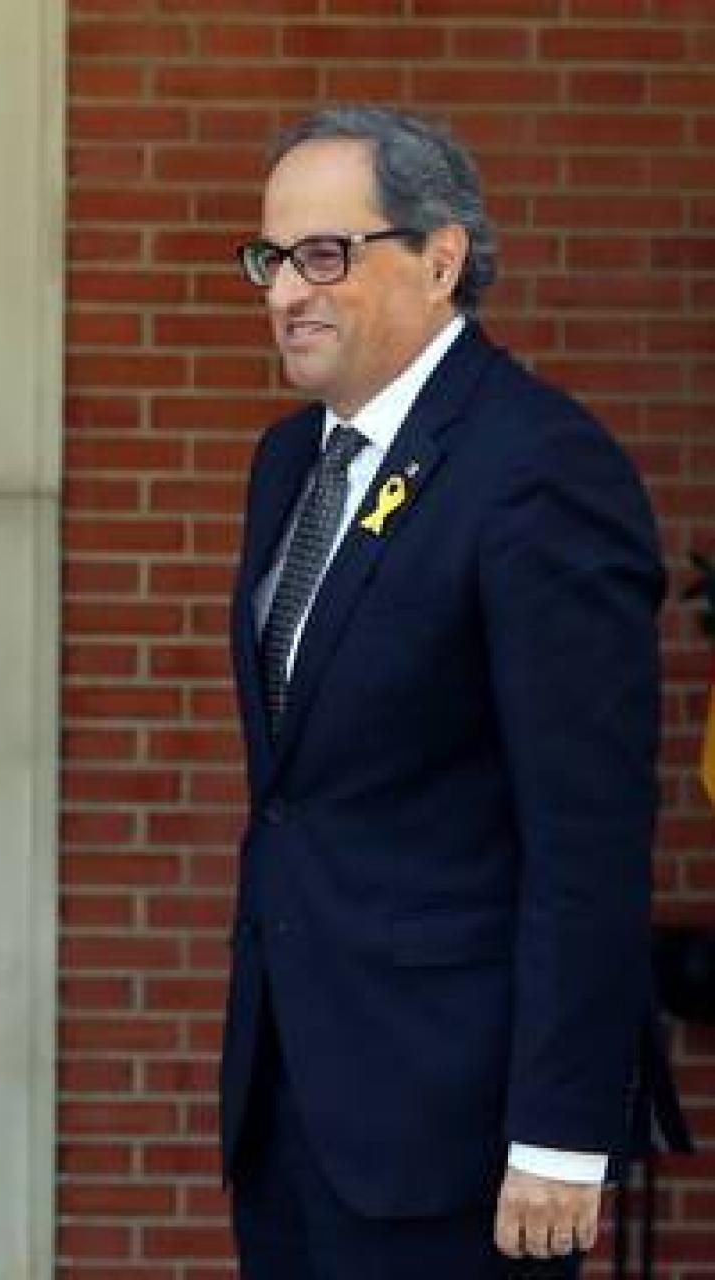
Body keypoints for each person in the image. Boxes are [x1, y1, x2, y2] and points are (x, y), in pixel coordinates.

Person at [220, 106, 687, 1278]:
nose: (285, 291)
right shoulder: (289, 461)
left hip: (460, 1127)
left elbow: (587, 833)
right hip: (291, 1098)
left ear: (438, 259)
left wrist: (560, 1135)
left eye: (324, 254)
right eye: (269, 258)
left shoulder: (537, 468)